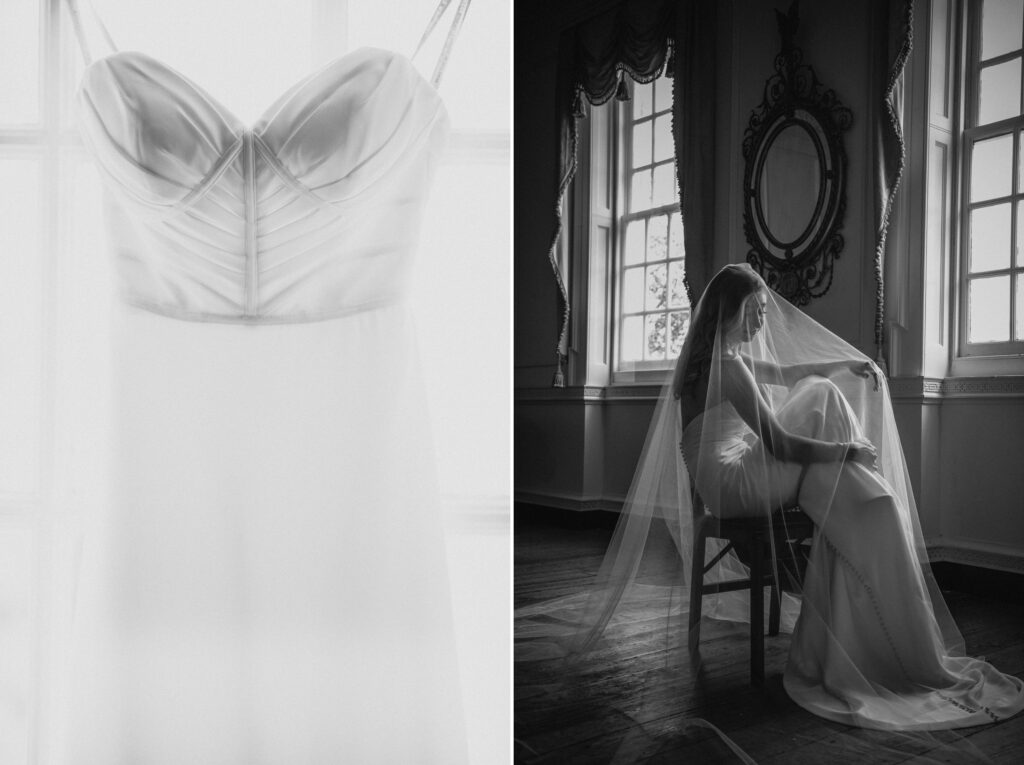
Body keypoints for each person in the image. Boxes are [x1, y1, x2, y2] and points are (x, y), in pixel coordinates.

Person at [521, 263, 1024, 740]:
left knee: (822, 390)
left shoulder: (728, 356)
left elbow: (793, 370)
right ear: (736, 311)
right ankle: (869, 513)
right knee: (824, 401)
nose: (764, 318)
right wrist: (847, 449)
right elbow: (781, 444)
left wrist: (851, 362)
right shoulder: (727, 365)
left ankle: (867, 511)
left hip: (735, 470)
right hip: (733, 484)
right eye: (758, 309)